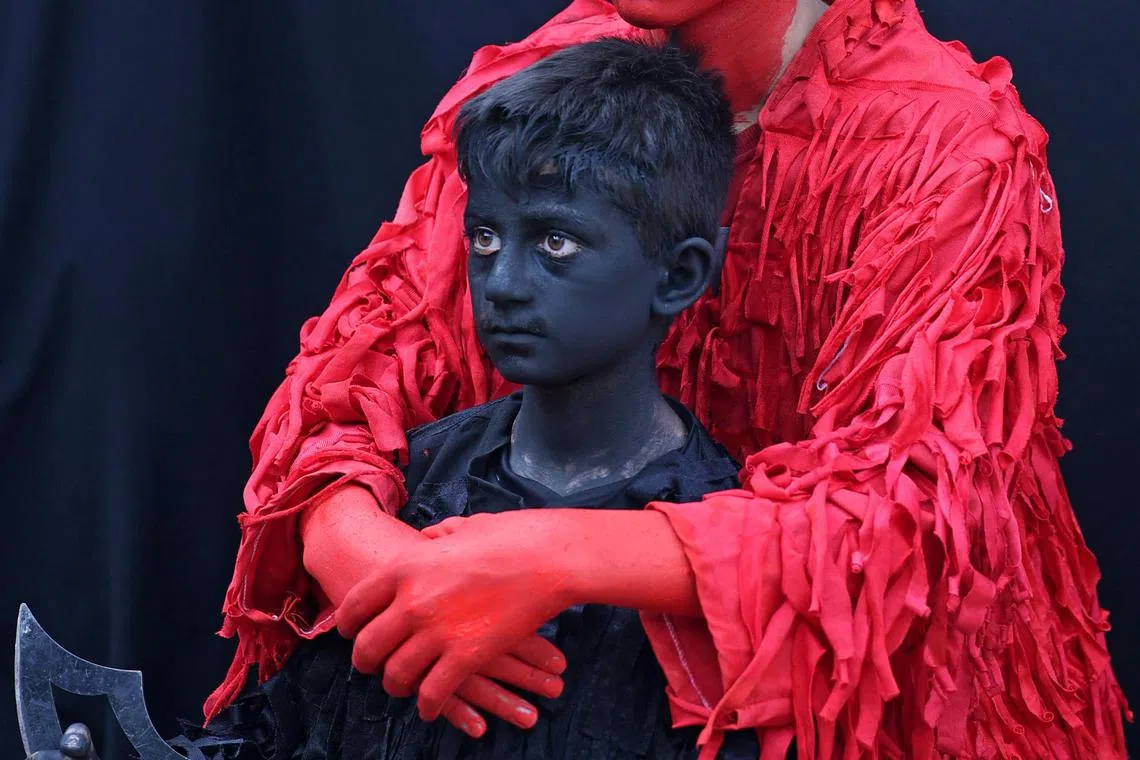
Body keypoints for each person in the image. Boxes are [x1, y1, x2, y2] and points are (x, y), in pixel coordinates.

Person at [210, 0, 1130, 758]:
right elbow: (347, 383)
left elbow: (913, 520)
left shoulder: (948, 147)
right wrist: (379, 568)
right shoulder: (546, 89)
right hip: (546, 688)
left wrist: (544, 559)